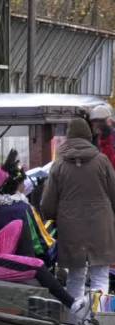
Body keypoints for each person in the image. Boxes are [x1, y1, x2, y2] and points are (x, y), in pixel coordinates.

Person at [0, 150, 88, 317]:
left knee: (17, 224)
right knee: (36, 265)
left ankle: (26, 266)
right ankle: (72, 303)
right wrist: (1, 172)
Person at [41, 117, 115, 301]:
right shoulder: (102, 161)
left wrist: (54, 216)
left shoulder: (59, 164)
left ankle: (76, 322)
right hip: (101, 226)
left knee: (75, 277)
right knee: (100, 277)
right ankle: (97, 320)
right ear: (88, 136)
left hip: (71, 228)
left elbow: (47, 204)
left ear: (68, 137)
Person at [0, 168, 56, 265]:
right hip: (24, 262)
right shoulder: (25, 208)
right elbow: (39, 243)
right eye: (23, 182)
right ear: (18, 185)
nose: (24, 186)